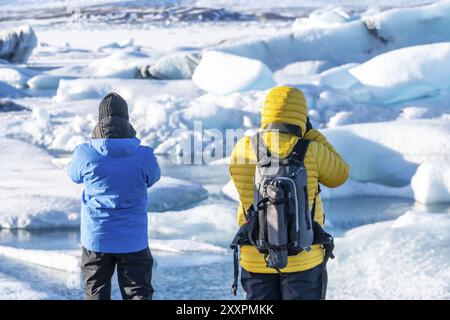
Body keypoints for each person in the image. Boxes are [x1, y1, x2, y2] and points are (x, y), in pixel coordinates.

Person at [229, 86, 349, 300]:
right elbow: (340, 174)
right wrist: (311, 133)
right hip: (303, 257)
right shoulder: (311, 149)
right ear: (301, 115)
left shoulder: (244, 147)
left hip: (255, 255)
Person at [68, 92, 161, 300]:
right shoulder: (144, 154)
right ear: (126, 119)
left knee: (95, 293)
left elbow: (73, 176)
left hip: (96, 239)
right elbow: (153, 178)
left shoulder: (85, 153)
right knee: (138, 293)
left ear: (100, 120)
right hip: (133, 240)